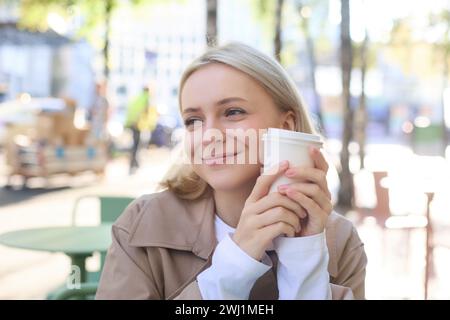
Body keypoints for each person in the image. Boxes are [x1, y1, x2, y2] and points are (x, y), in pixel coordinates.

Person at [96, 43, 367, 300]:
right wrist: (238, 260)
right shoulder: (142, 224)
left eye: (233, 112)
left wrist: (303, 256)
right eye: (194, 120)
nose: (208, 136)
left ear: (285, 125)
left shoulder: (340, 240)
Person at [125, 86, 153, 174]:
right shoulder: (146, 98)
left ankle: (135, 164)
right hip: (138, 125)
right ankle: (133, 165)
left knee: (135, 145)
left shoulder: (138, 97)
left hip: (132, 123)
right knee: (137, 146)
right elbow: (146, 112)